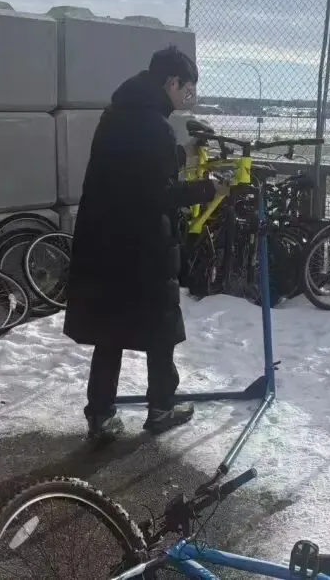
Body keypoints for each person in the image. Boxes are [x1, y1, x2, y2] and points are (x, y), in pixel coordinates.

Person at [64, 45, 229, 442]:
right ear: (171, 82)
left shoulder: (118, 114)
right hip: (142, 245)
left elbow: (134, 166)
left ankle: (100, 413)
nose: (188, 95)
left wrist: (181, 154)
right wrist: (210, 188)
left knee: (109, 331)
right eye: (187, 87)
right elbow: (158, 193)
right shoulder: (155, 126)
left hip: (103, 240)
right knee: (161, 327)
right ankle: (161, 408)